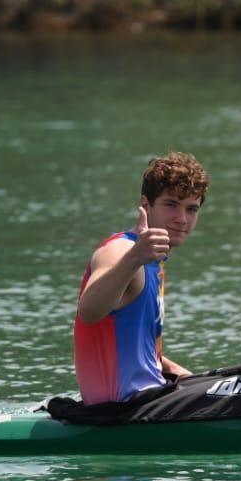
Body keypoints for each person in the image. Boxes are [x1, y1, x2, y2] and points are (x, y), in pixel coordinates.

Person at [74, 152, 209, 405]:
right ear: (145, 206)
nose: (182, 219)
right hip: (125, 411)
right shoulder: (122, 251)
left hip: (149, 400)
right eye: (171, 204)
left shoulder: (151, 259)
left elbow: (132, 346)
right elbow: (89, 310)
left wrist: (177, 372)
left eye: (191, 209)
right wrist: (134, 258)